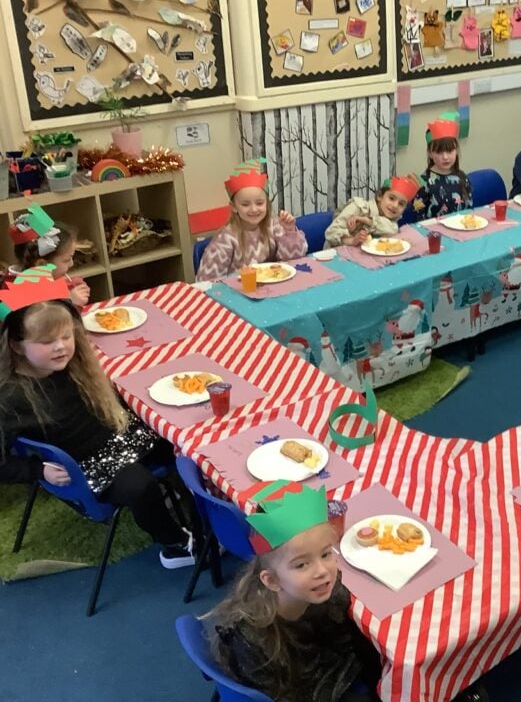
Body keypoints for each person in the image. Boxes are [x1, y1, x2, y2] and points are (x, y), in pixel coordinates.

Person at [0, 271, 194, 568]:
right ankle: (175, 546)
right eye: (46, 341)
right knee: (139, 485)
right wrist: (36, 469)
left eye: (66, 336)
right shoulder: (10, 398)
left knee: (182, 437)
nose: (61, 346)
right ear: (16, 345)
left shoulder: (74, 364)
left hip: (120, 437)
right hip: (86, 466)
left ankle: (198, 507)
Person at [207, 481, 383, 702]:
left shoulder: (324, 586)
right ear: (271, 581)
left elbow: (346, 638)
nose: (322, 571)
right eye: (301, 565)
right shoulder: (254, 641)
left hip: (327, 665)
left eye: (326, 554)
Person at [196, 158, 307, 281]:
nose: (254, 209)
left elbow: (294, 260)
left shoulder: (274, 226)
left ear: (267, 204)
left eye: (259, 203)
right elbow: (206, 281)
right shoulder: (226, 239)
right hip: (240, 292)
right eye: (245, 204)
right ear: (234, 207)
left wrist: (290, 232)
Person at [9, 204, 90, 307]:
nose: (71, 264)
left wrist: (68, 286)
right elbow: (56, 321)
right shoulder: (25, 296)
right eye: (67, 260)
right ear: (42, 264)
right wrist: (71, 302)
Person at [324, 176, 419, 248]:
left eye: (401, 204)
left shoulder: (391, 219)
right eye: (391, 198)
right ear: (379, 196)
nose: (395, 206)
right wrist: (352, 240)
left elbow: (392, 229)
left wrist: (367, 221)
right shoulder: (359, 207)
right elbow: (331, 233)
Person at [414, 112, 473, 221]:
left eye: (450, 151)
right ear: (430, 153)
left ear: (456, 150)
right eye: (439, 152)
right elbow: (419, 219)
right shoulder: (423, 183)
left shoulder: (462, 177)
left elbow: (469, 209)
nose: (445, 157)